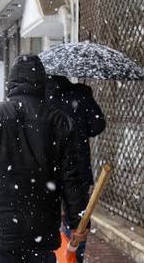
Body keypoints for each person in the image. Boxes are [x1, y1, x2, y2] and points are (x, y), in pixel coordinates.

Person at [0, 55, 89, 263]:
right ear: (42, 84)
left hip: (0, 232)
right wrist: (79, 222)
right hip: (41, 231)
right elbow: (72, 179)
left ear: (11, 83)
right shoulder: (61, 122)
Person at [46, 75, 106, 263]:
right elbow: (98, 125)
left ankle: (54, 255)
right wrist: (81, 125)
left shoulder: (43, 97)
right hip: (78, 166)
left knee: (50, 215)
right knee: (78, 218)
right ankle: (73, 257)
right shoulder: (81, 93)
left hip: (49, 169)